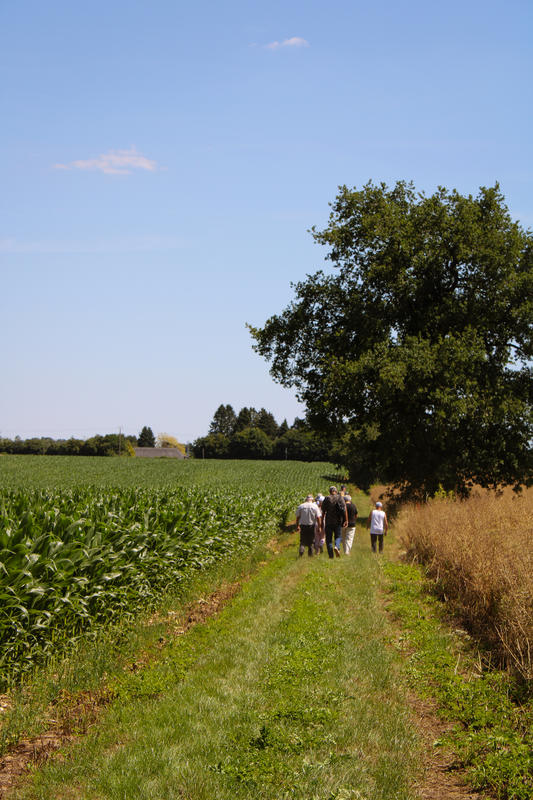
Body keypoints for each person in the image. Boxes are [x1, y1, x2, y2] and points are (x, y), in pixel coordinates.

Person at [321, 486, 348, 558]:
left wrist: (321, 522)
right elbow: (344, 510)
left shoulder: (327, 498)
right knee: (338, 536)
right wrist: (346, 520)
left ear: (330, 491)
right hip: (338, 521)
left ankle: (331, 555)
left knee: (329, 539)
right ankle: (337, 546)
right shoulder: (340, 498)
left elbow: (323, 511)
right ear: (336, 491)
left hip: (328, 521)